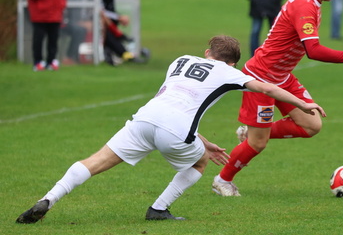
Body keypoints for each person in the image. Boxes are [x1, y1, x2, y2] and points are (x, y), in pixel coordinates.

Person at [15, 35, 326, 223]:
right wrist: (303, 104)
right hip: (174, 130)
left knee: (95, 161)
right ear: (232, 63)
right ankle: (158, 209)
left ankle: (49, 199)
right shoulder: (229, 73)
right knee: (201, 162)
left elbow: (172, 101)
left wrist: (203, 140)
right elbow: (268, 89)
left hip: (146, 117)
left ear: (208, 51)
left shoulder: (179, 60)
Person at [212, 0, 343, 197]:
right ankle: (222, 180)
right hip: (261, 79)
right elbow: (313, 50)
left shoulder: (312, 1)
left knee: (312, 124)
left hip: (282, 76)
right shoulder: (305, 6)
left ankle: (251, 131)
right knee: (258, 143)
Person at [100, 0, 136, 65]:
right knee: (106, 30)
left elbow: (111, 10)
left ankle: (119, 50)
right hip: (97, 20)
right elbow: (101, 10)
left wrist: (119, 17)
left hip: (106, 20)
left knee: (112, 25)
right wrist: (119, 17)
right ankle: (123, 51)